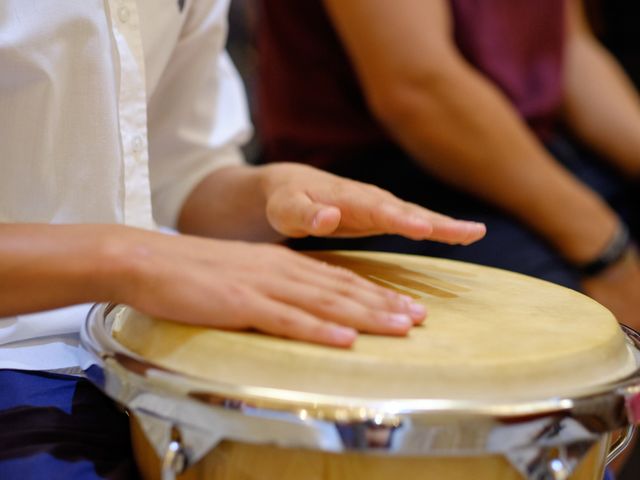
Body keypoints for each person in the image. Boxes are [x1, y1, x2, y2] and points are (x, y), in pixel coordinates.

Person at [0, 1, 486, 478]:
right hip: (20, 359)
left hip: (146, 345)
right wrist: (135, 260)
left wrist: (270, 194)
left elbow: (175, 173)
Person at [257, 0, 640, 334]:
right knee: (567, 336)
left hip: (537, 157)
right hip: (390, 187)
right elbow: (418, 89)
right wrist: (607, 254)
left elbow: (568, 48)